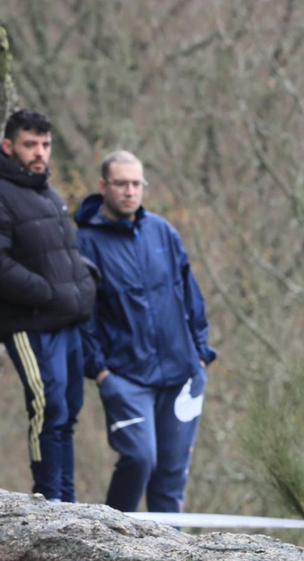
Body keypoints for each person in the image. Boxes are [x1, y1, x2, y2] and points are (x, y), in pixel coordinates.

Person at [0, 109, 95, 501]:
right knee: (47, 409)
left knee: (68, 412)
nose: (40, 152)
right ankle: (48, 503)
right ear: (9, 146)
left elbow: (63, 254)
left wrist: (85, 282)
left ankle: (68, 506)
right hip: (29, 324)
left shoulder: (48, 192)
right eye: (30, 144)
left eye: (45, 144)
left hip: (67, 321)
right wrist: (47, 292)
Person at [76, 150, 215, 513]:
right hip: (126, 378)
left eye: (136, 184)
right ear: (104, 186)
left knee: (171, 480)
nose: (129, 191)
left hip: (182, 374)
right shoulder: (85, 243)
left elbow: (191, 298)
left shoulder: (163, 232)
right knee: (140, 459)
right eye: (121, 184)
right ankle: (108, 539)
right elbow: (82, 318)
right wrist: (102, 373)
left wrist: (201, 356)